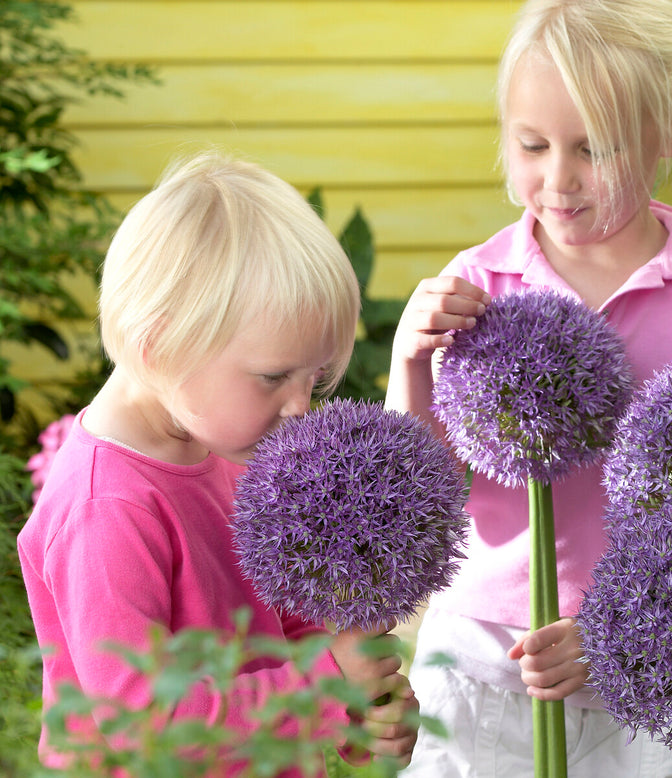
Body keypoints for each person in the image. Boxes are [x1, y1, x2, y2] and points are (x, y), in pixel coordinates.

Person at [385, 1, 672, 775]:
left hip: (637, 665)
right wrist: (409, 358)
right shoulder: (478, 281)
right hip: (474, 652)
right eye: (533, 145)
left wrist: (618, 637)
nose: (557, 180)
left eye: (593, 150)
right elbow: (414, 484)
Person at [18, 151, 419, 775]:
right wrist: (325, 686)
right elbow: (146, 727)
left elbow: (283, 616)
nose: (298, 407)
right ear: (162, 346)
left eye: (314, 379)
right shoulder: (107, 511)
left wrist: (357, 706)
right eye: (273, 377)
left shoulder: (226, 447)